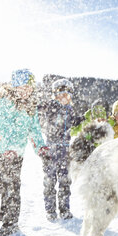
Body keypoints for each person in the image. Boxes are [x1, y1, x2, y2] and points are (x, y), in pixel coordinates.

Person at [0, 69, 48, 236]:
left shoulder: (31, 107)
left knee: (12, 186)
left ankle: (10, 221)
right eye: (21, 87)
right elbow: (4, 127)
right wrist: (7, 148)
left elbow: (34, 129)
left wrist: (40, 146)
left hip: (16, 154)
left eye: (29, 88)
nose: (25, 91)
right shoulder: (5, 102)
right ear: (14, 86)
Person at [38, 78, 81, 220]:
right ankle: (50, 210)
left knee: (64, 181)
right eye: (60, 94)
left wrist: (83, 119)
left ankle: (64, 209)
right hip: (51, 149)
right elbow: (40, 112)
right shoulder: (50, 107)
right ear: (54, 96)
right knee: (49, 180)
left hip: (65, 151)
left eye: (66, 94)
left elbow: (78, 123)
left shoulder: (71, 111)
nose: (63, 97)